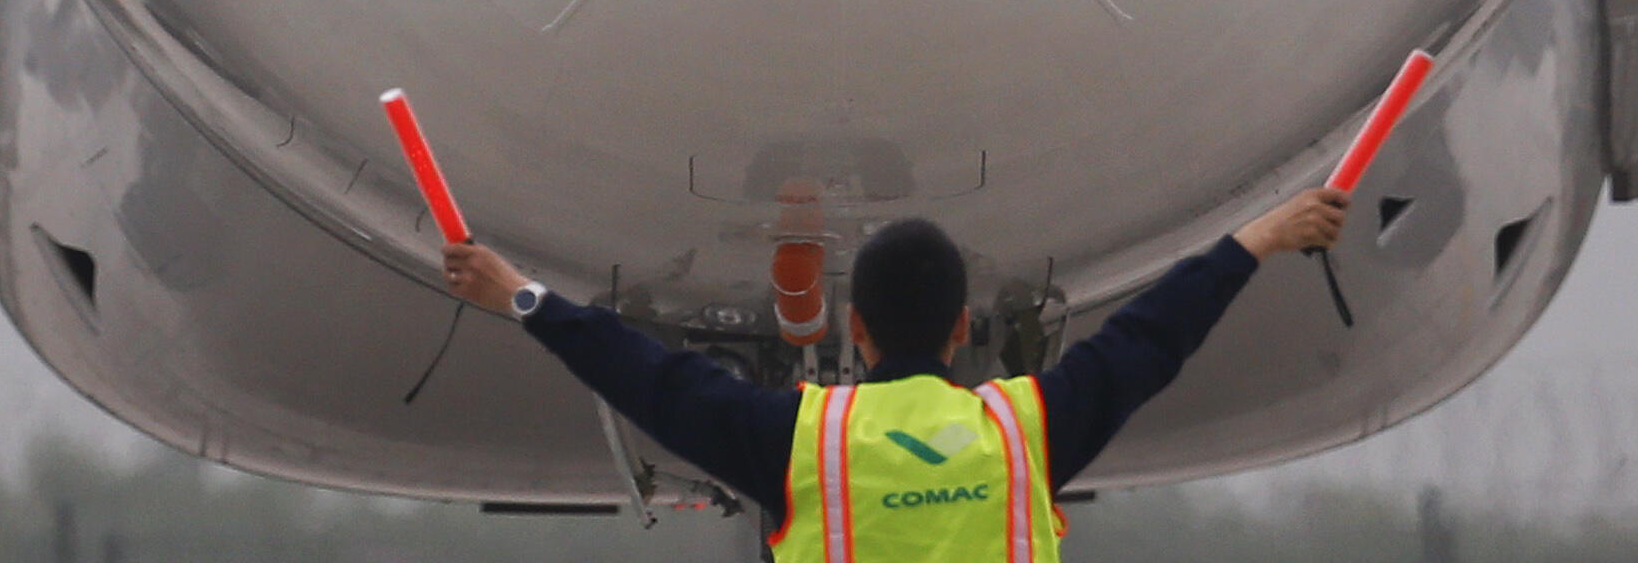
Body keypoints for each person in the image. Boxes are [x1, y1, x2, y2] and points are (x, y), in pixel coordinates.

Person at [442, 184, 1349, 556]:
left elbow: (648, 377)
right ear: (962, 326)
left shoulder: (803, 443)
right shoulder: (1022, 432)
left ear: (855, 328)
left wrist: (521, 295)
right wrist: (1263, 234)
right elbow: (1154, 338)